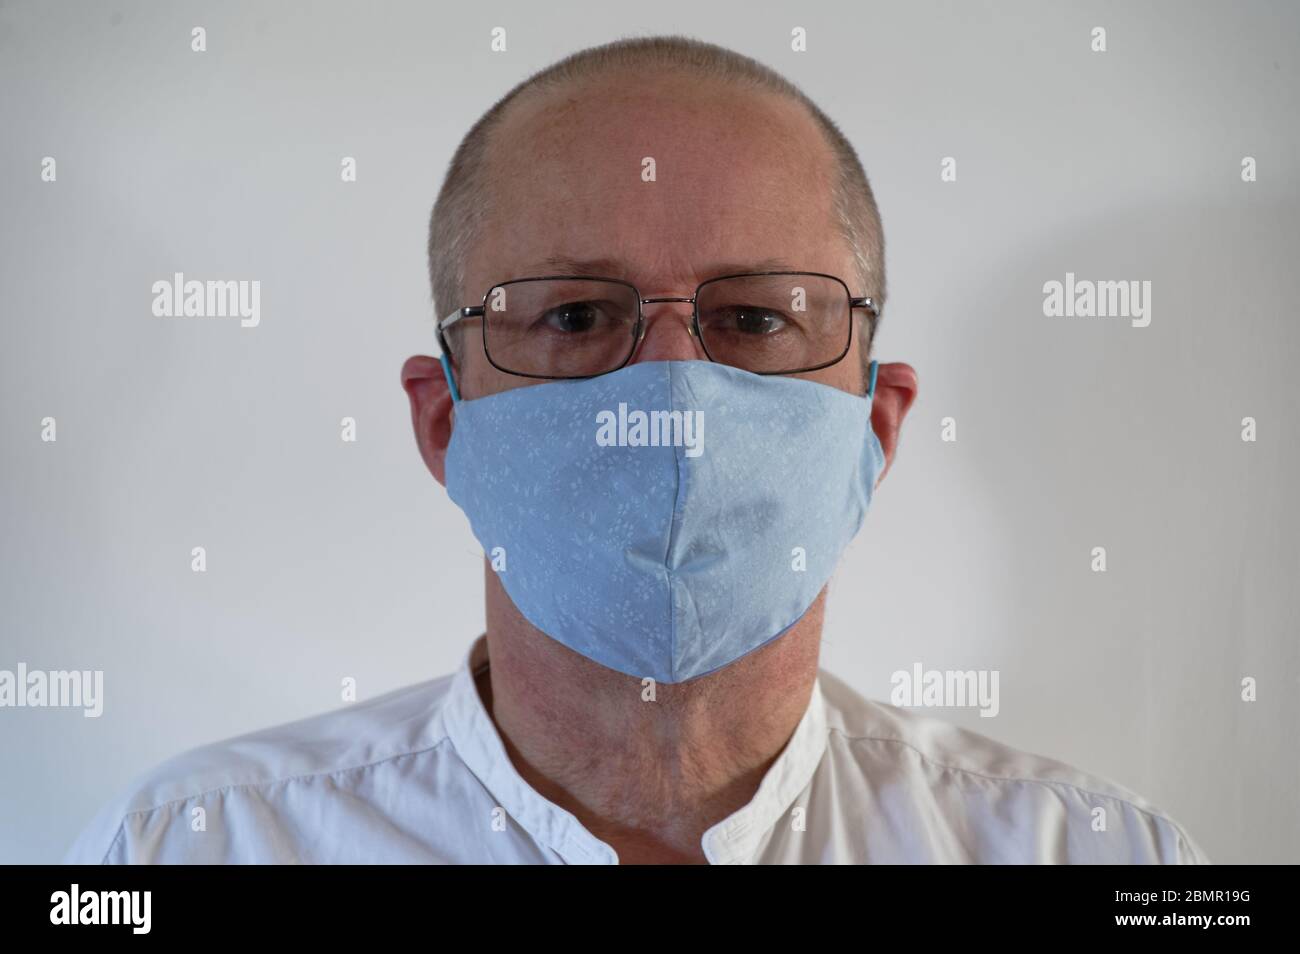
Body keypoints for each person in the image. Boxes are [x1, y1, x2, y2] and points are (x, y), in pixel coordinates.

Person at [64, 35, 1208, 864]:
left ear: (877, 422)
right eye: (572, 314)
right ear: (441, 421)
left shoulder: (1102, 860)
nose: (669, 394)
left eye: (756, 317)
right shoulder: (189, 849)